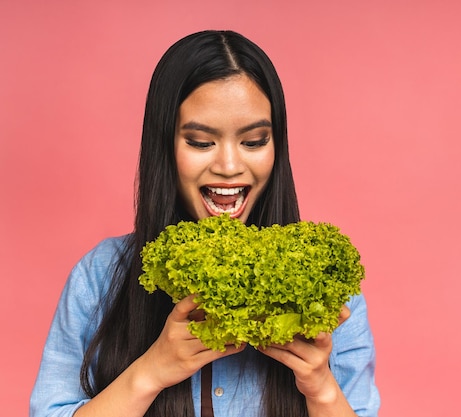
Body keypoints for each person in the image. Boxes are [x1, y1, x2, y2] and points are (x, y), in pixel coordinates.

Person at [30, 30, 380, 417]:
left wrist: (321, 389)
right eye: (200, 142)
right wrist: (152, 370)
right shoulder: (99, 276)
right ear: (165, 146)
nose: (229, 167)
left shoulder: (324, 287)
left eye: (254, 141)